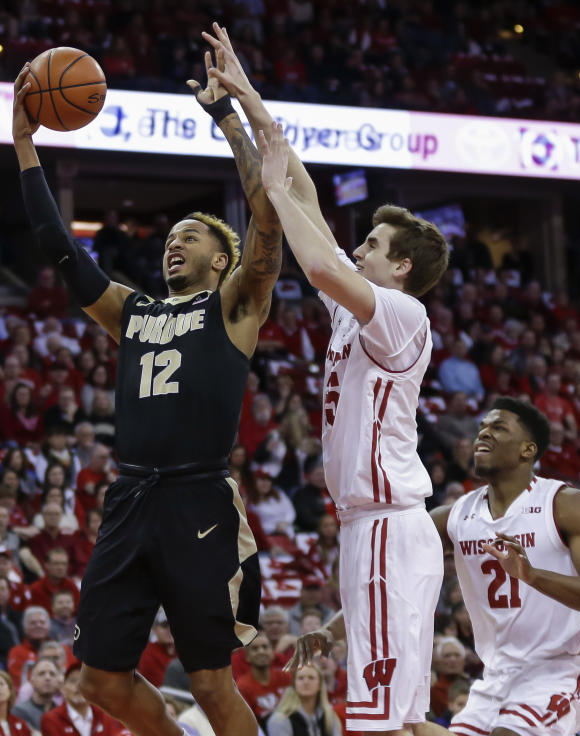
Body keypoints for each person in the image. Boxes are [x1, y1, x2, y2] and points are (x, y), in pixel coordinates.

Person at [12, 29, 283, 736]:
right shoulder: (132, 312)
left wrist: (227, 117)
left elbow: (268, 219)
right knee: (99, 677)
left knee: (211, 679)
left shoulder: (236, 306)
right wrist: (24, 146)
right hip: (131, 496)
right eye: (171, 238)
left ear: (225, 260)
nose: (174, 242)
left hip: (199, 496)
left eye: (193, 237)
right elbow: (62, 256)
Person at [218, 23, 448, 732]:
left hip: (385, 525)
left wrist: (275, 188)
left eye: (373, 246)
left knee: (377, 720)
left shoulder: (401, 314)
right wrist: (250, 101)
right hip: (373, 528)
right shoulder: (360, 314)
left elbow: (314, 255)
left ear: (402, 267)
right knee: (403, 719)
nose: (358, 248)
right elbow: (316, 210)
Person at [423, 398, 580, 736]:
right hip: (497, 677)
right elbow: (389, 574)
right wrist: (332, 631)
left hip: (560, 670)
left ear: (527, 450)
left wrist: (532, 576)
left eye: (498, 428)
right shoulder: (454, 517)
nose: (483, 434)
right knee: (401, 727)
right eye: (482, 427)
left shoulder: (563, 504)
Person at [41, 662, 119, 736]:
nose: (79, 686)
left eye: (85, 681)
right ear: (62, 688)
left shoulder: (106, 718)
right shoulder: (51, 720)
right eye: (73, 681)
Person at [264, 662, 341, 736]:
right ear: (294, 684)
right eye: (300, 678)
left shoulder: (329, 716)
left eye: (311, 678)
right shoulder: (280, 719)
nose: (306, 682)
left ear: (320, 685)